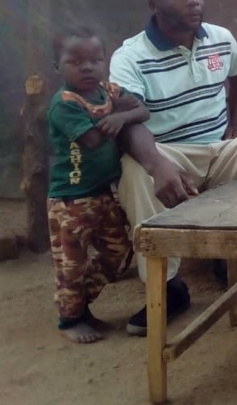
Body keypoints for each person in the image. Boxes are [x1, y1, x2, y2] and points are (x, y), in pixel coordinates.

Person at [110, 0, 237, 336]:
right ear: (154, 3)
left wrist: (235, 129)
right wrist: (157, 163)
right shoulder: (129, 57)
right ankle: (168, 286)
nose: (194, 1)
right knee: (133, 169)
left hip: (217, 149)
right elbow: (129, 123)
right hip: (169, 152)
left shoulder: (220, 39)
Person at [47, 26, 149, 343]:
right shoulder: (64, 104)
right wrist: (117, 113)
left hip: (104, 193)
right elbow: (91, 139)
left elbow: (142, 110)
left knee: (119, 252)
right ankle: (70, 319)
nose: (87, 66)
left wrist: (120, 117)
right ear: (58, 66)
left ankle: (80, 304)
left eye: (95, 59)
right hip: (70, 201)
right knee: (71, 264)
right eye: (75, 61)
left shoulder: (109, 91)